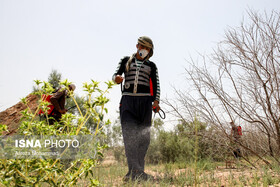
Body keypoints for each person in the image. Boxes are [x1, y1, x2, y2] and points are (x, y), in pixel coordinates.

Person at [112, 36, 160, 181]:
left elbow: (156, 84)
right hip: (128, 102)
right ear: (137, 46)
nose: (144, 50)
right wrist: (117, 79)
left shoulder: (152, 66)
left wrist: (156, 101)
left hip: (145, 103)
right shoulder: (126, 61)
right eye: (142, 46)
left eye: (147, 48)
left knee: (143, 138)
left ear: (150, 51)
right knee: (130, 136)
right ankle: (135, 171)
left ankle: (137, 171)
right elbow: (115, 75)